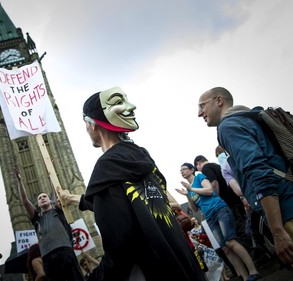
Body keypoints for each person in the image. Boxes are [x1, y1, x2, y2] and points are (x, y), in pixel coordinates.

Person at [58, 86, 207, 280]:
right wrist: (73, 198)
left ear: (93, 125)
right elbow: (130, 201)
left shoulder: (106, 168)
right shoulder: (142, 158)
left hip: (152, 268)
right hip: (180, 260)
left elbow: (120, 244)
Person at [197, 86, 293, 279]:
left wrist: (277, 230)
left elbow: (259, 174)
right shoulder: (249, 117)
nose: (199, 113)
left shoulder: (228, 126)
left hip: (289, 213)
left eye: (202, 106)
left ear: (219, 101)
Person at [175, 162, 261, 281]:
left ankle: (253, 271)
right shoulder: (189, 189)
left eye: (184, 169)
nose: (182, 172)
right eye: (180, 171)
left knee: (230, 241)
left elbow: (210, 190)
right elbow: (194, 209)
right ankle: (245, 277)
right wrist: (187, 195)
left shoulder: (199, 176)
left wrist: (191, 188)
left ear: (191, 169)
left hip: (219, 209)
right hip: (209, 217)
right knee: (225, 248)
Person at [16, 170, 84, 281]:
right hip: (48, 258)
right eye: (39, 198)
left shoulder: (58, 210)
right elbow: (24, 201)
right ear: (38, 204)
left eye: (44, 196)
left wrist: (51, 172)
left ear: (50, 200)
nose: (42, 198)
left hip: (65, 252)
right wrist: (19, 181)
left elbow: (56, 191)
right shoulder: (37, 218)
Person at [193, 155, 253, 251]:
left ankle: (255, 253)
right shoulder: (216, 165)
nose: (199, 171)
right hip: (235, 199)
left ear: (198, 164)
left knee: (239, 229)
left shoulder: (206, 168)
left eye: (197, 169)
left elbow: (214, 183)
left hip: (228, 202)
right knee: (246, 225)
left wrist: (216, 197)